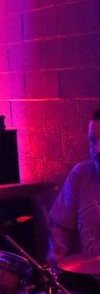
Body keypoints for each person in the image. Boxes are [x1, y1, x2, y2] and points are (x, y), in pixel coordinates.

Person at [48, 108, 100, 265]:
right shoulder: (81, 174)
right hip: (87, 276)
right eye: (93, 141)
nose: (97, 150)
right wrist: (58, 249)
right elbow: (61, 227)